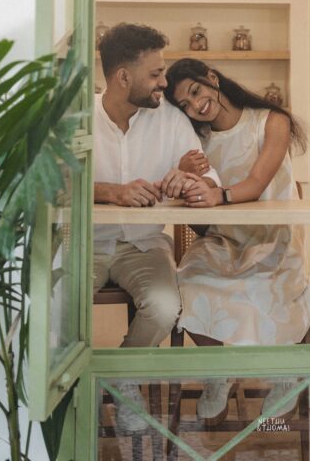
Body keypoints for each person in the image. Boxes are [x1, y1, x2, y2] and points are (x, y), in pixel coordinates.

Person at [164, 57, 310, 423]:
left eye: (196, 91)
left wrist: (218, 195)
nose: (196, 105)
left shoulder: (271, 121)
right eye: (185, 104)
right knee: (182, 285)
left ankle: (284, 373)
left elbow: (258, 183)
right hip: (224, 242)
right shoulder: (196, 143)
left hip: (275, 240)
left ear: (212, 78)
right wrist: (185, 179)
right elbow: (198, 215)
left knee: (268, 291)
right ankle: (221, 369)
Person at [93, 24, 220, 431]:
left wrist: (192, 181)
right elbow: (53, 182)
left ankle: (120, 378)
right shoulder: (76, 119)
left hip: (145, 244)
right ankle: (70, 395)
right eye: (155, 73)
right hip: (83, 244)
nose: (164, 82)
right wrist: (112, 192)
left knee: (166, 306)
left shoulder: (170, 119)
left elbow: (208, 178)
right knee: (55, 305)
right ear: (122, 77)